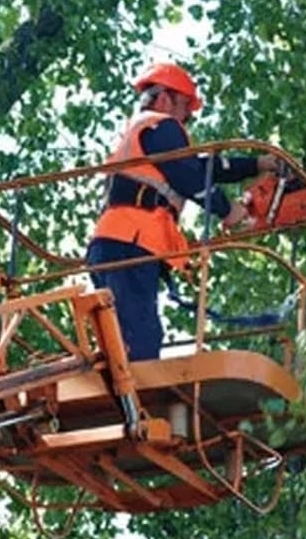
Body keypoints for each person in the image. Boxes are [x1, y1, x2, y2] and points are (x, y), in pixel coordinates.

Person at [85, 61, 282, 362]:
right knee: (140, 339)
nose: (186, 120)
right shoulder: (160, 125)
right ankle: (136, 404)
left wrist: (256, 165)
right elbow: (187, 176)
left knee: (125, 336)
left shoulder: (143, 134)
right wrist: (228, 210)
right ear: (165, 98)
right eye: (185, 110)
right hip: (131, 242)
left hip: (117, 242)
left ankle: (127, 397)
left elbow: (202, 168)